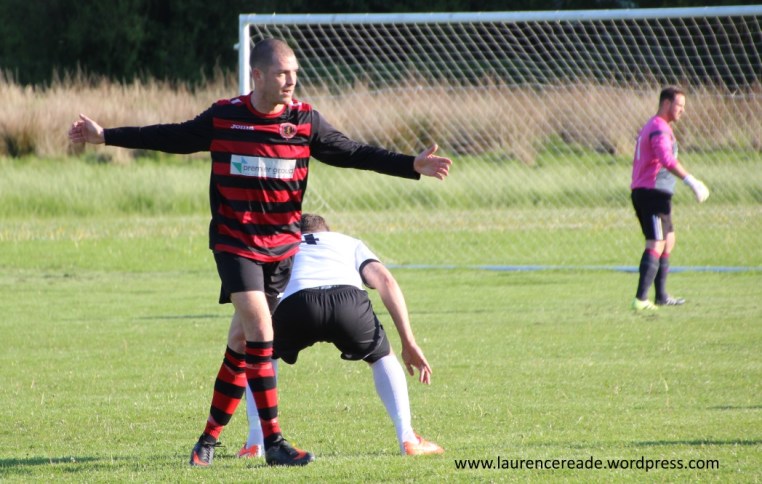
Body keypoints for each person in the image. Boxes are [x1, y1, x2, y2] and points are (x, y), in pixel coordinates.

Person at [67, 38, 451, 467]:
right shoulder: (225, 116)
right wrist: (106, 137)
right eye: (282, 73)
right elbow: (170, 136)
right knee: (261, 333)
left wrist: (409, 165)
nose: (291, 81)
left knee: (239, 342)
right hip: (236, 244)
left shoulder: (304, 121)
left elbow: (353, 152)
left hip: (281, 249)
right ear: (258, 75)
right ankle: (274, 443)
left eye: (294, 73)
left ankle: (208, 440)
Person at [237, 213, 443, 458]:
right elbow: (386, 281)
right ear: (327, 231)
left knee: (262, 357)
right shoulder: (348, 242)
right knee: (381, 357)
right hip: (349, 303)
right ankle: (407, 438)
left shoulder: (281, 244)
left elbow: (260, 291)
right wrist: (408, 342)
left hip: (296, 304)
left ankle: (256, 442)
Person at [630, 86, 709, 311]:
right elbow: (666, 159)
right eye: (679, 105)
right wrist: (690, 180)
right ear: (666, 104)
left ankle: (661, 296)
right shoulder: (658, 128)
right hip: (652, 193)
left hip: (655, 194)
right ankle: (640, 300)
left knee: (668, 240)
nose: (683, 110)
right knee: (656, 242)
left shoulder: (658, 126)